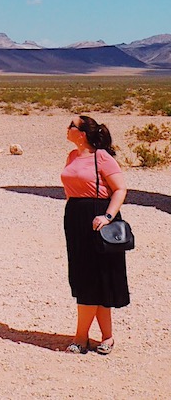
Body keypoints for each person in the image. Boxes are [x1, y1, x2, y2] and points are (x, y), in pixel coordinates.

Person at [61, 114, 129, 354]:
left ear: (81, 134)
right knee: (87, 276)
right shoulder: (71, 156)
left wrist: (107, 216)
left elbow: (120, 189)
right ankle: (107, 337)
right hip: (76, 218)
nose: (66, 128)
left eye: (71, 125)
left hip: (98, 218)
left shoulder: (102, 157)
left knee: (93, 276)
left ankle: (81, 338)